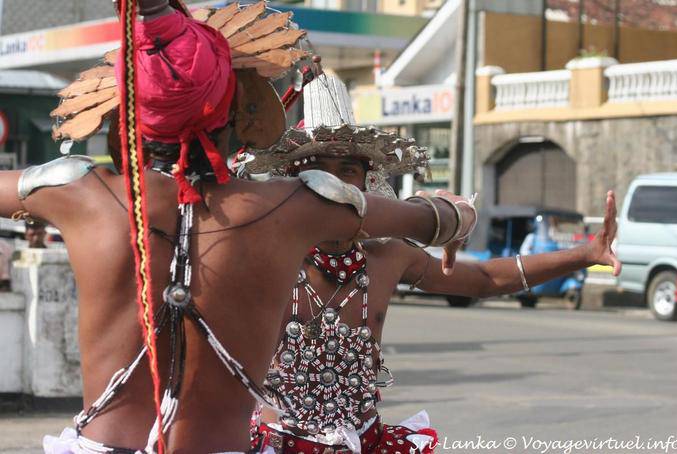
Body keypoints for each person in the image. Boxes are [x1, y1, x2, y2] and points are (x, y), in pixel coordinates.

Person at [6, 2, 476, 453]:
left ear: (127, 105)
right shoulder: (294, 205)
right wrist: (455, 219)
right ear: (237, 108)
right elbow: (432, 218)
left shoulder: (78, 193)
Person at [243, 74, 621, 454]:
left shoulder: (388, 256)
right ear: (291, 182)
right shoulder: (265, 253)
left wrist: (586, 255)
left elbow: (486, 279)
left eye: (347, 170)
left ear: (365, 181)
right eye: (318, 170)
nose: (333, 186)